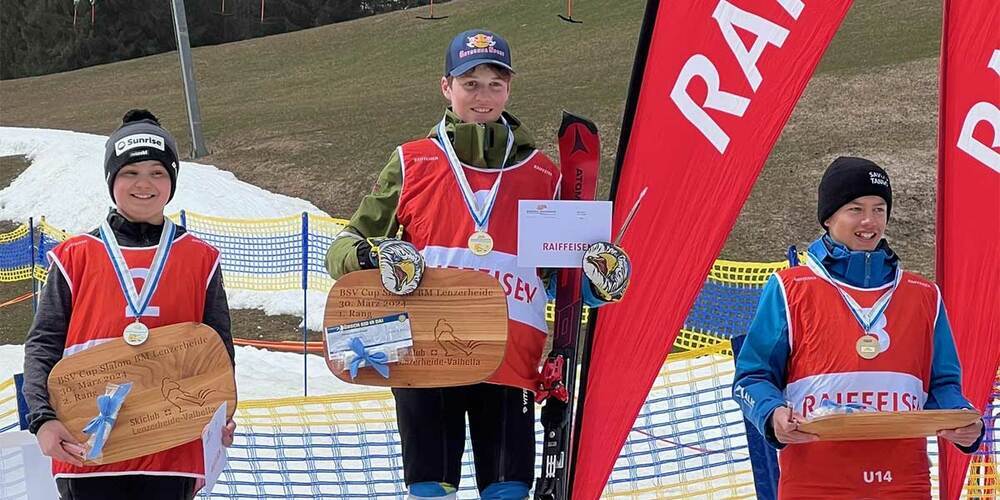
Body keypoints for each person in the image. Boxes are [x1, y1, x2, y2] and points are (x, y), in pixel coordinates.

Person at [325, 29, 630, 499]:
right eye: (470, 83)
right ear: (446, 86)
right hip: (426, 354)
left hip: (511, 357)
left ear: (509, 89)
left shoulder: (544, 174)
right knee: (431, 488)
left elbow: (561, 282)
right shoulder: (412, 161)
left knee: (507, 489)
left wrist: (599, 281)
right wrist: (373, 255)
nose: (482, 96)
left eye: (494, 84)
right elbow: (344, 247)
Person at [732, 156, 985, 498]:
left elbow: (942, 386)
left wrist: (963, 421)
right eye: (855, 209)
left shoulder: (924, 295)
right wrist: (771, 413)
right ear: (829, 217)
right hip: (815, 484)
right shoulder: (790, 289)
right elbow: (752, 377)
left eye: (879, 209)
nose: (869, 221)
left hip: (902, 484)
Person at [23, 109, 237, 500]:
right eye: (130, 172)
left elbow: (217, 350)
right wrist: (42, 419)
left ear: (172, 180)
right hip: (87, 445)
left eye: (158, 172)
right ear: (111, 180)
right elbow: (43, 344)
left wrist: (220, 413)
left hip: (173, 447)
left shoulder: (201, 258)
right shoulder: (74, 256)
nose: (144, 184)